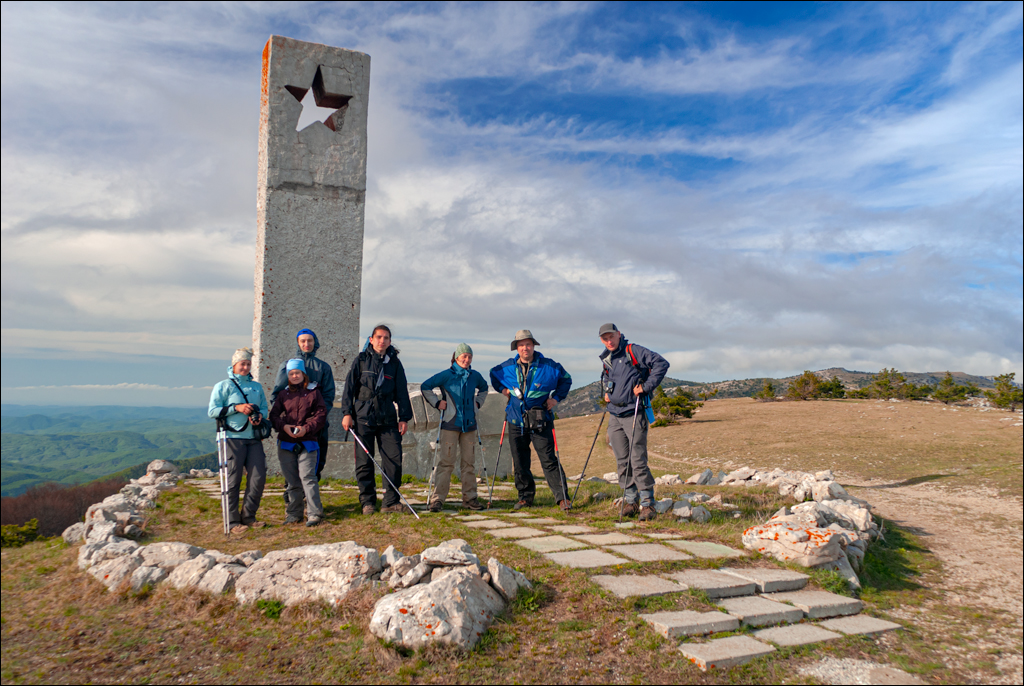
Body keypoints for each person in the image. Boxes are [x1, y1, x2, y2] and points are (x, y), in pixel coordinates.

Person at [489, 329, 573, 511]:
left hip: (540, 419)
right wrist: (504, 391)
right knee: (520, 461)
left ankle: (562, 498)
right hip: (515, 420)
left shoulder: (550, 366)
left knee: (549, 459)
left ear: (533, 346)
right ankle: (525, 497)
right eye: (521, 345)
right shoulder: (505, 368)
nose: (525, 348)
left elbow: (566, 379)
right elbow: (493, 375)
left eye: (528, 344)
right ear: (516, 348)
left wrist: (555, 399)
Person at [598, 323, 670, 521]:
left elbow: (661, 363)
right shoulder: (607, 358)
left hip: (634, 411)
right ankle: (631, 501)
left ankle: (648, 504)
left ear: (619, 334)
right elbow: (610, 379)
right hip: (615, 414)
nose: (609, 341)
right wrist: (607, 393)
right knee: (622, 460)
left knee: (637, 460)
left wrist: (646, 387)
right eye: (604, 338)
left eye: (611, 336)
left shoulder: (633, 350)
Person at [339, 324, 413, 514]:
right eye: (379, 337)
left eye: (386, 338)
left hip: (387, 419)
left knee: (394, 459)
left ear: (389, 342)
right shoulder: (361, 360)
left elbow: (402, 392)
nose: (382, 341)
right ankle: (367, 502)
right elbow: (349, 388)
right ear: (371, 340)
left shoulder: (395, 364)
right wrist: (347, 413)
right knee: (364, 462)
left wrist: (404, 417)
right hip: (363, 418)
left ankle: (390, 502)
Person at [421, 343, 490, 512]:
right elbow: (425, 386)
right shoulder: (446, 375)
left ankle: (470, 499)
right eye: (464, 356)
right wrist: (437, 403)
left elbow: (484, 388)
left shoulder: (475, 376)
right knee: (446, 463)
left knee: (469, 464)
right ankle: (437, 500)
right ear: (456, 357)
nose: (467, 359)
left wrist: (478, 403)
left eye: (469, 357)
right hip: (450, 424)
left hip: (470, 426)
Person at [207, 347, 269, 533]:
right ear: (234, 365)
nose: (245, 367)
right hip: (232, 438)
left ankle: (249, 516)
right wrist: (237, 408)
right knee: (233, 480)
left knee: (258, 478)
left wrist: (258, 416)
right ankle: (232, 522)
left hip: (253, 437)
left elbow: (265, 408)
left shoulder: (256, 387)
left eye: (248, 364)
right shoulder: (223, 386)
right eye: (242, 363)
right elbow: (213, 411)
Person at [271, 328, 335, 482]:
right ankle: (292, 499)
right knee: (291, 463)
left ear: (315, 342)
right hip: (291, 426)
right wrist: (284, 420)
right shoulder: (287, 366)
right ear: (298, 343)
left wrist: (315, 420)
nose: (307, 344)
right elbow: (278, 395)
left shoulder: (323, 367)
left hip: (316, 426)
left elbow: (328, 396)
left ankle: (309, 497)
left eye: (310, 340)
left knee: (316, 462)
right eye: (303, 341)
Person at [269, 358, 328, 526]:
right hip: (287, 442)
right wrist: (284, 426)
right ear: (288, 376)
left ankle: (314, 513)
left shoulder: (314, 393)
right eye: (292, 373)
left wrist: (306, 429)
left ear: (304, 374)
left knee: (308, 477)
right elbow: (274, 416)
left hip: (308, 442)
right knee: (293, 480)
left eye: (298, 373)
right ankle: (294, 513)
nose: (295, 376)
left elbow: (321, 416)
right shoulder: (283, 395)